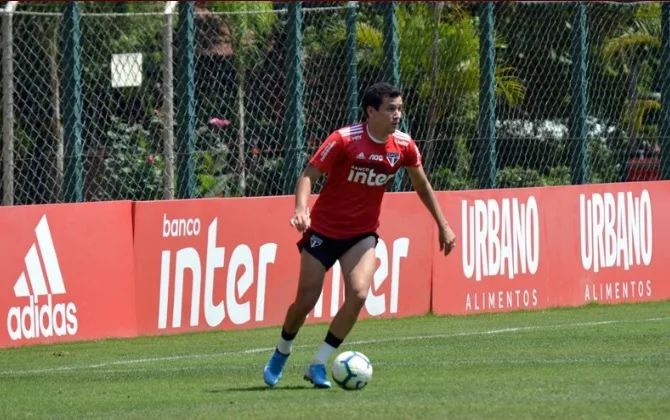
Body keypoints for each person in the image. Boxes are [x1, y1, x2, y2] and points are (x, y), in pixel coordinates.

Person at [263, 82, 457, 389]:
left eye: (400, 109)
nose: (397, 115)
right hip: (324, 231)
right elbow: (308, 175)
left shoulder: (404, 146)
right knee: (306, 300)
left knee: (359, 294)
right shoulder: (344, 139)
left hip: (362, 234)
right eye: (391, 109)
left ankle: (318, 364)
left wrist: (443, 224)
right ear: (371, 111)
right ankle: (281, 352)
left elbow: (422, 185)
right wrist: (302, 209)